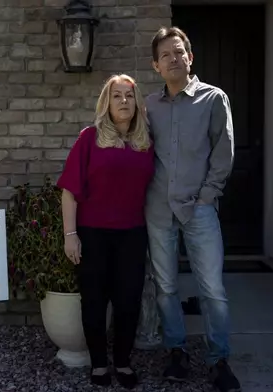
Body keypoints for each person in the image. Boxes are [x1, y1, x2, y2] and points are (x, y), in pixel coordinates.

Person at [144, 26, 242, 392]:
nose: (173, 58)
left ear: (190, 57)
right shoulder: (149, 105)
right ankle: (177, 353)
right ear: (156, 65)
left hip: (199, 208)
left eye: (179, 51)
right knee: (166, 287)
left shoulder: (214, 98)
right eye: (165, 54)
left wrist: (207, 195)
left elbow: (223, 152)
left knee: (212, 289)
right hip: (157, 209)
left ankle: (219, 360)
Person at [57, 74, 155, 389]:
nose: (124, 101)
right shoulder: (90, 138)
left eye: (129, 95)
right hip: (94, 233)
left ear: (137, 102)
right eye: (117, 96)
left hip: (132, 234)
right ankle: (100, 363)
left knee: (129, 301)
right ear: (107, 102)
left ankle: (123, 362)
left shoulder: (146, 142)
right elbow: (69, 190)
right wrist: (70, 235)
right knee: (95, 301)